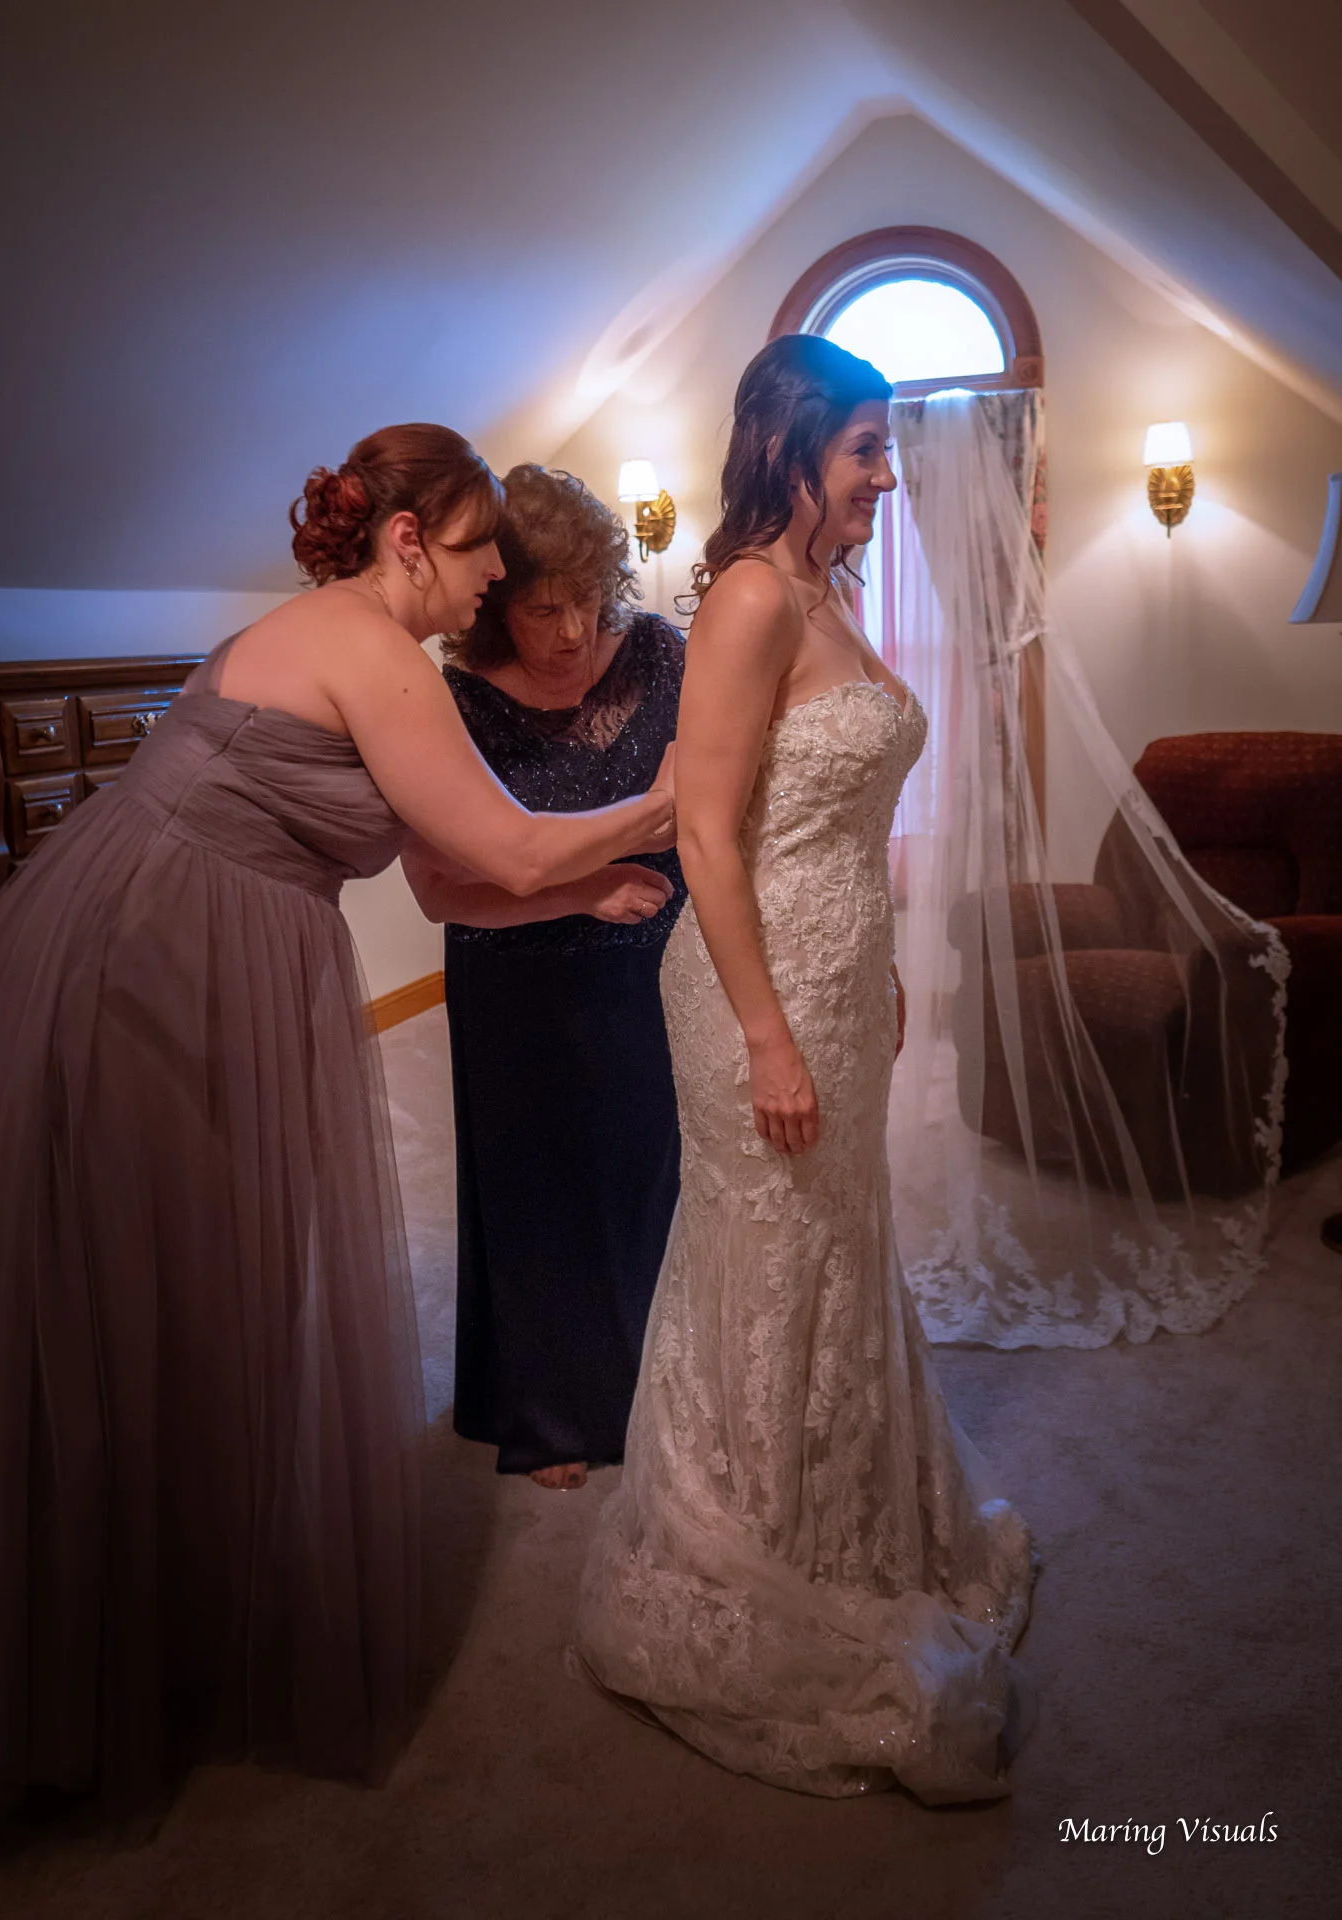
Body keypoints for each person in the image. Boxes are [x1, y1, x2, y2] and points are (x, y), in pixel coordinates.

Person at [0, 424, 675, 1879]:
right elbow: (513, 850)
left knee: (186, 1320)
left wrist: (600, 887)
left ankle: (124, 1624)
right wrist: (681, 791)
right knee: (81, 1320)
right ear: (407, 540)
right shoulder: (369, 647)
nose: (495, 577)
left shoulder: (366, 649)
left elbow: (452, 879)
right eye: (478, 550)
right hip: (135, 978)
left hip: (174, 959)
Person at [572, 338, 1035, 1802]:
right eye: (867, 449)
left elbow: (825, 819)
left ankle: (852, 1516)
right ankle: (760, 1544)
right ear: (791, 451)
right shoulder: (751, 600)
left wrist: (876, 964)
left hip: (834, 970)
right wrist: (769, 1034)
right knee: (771, 1254)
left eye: (887, 449)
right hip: (748, 990)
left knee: (839, 1243)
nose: (889, 477)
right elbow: (708, 838)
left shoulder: (830, 589)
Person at [404, 466, 685, 1492]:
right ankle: (551, 1407)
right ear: (494, 606)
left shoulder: (658, 654)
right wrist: (579, 891)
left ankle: (666, 1384)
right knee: (540, 1191)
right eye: (541, 610)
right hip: (516, 977)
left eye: (587, 601)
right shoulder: (456, 703)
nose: (571, 633)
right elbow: (442, 890)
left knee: (654, 1177)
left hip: (660, 961)